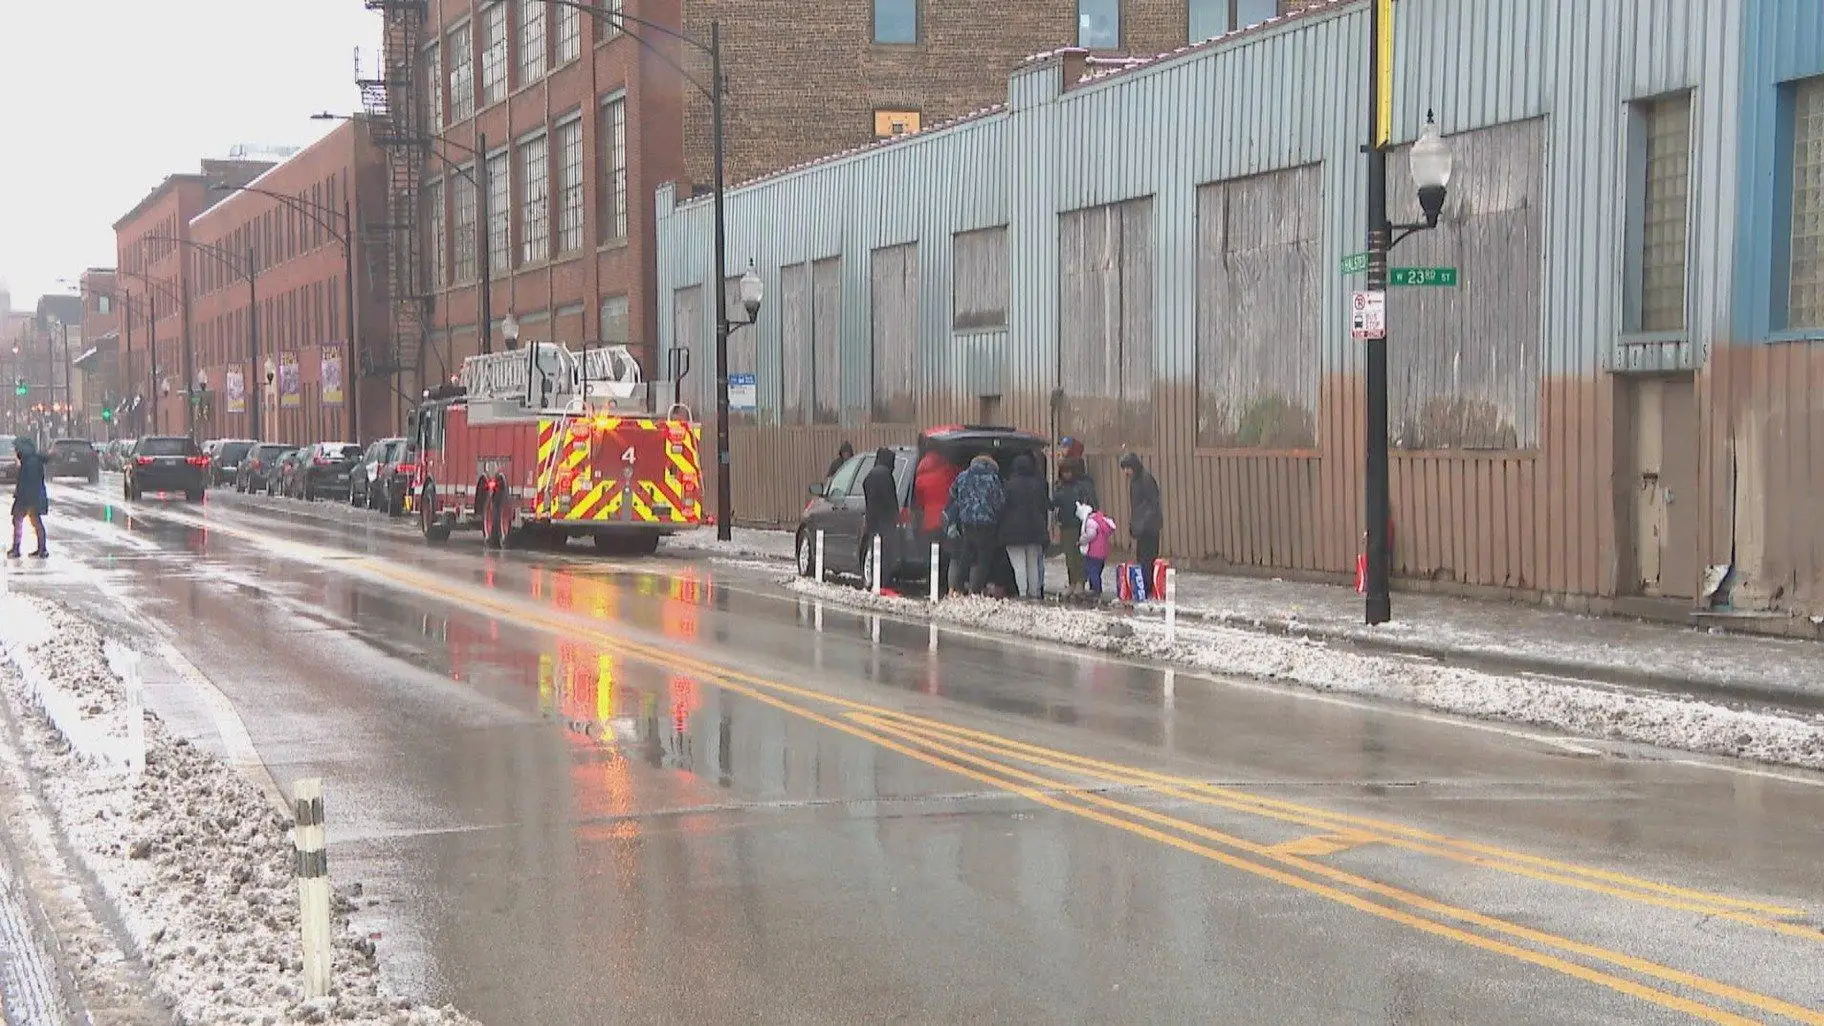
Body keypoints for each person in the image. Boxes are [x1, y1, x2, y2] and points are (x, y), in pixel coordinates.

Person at [944, 454, 1005, 595]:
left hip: (967, 523)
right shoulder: (992, 479)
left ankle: (956, 588)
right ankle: (975, 589)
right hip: (987, 524)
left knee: (966, 556)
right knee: (982, 559)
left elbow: (952, 494)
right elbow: (999, 501)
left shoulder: (962, 476)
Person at [999, 454, 1049, 599]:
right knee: (1033, 563)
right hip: (1035, 529)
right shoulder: (1037, 484)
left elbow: (1002, 506)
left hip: (1013, 531)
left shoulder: (1008, 485)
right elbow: (1044, 504)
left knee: (1019, 565)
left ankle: (1022, 593)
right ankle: (1034, 593)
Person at [914, 448, 963, 593]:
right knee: (948, 554)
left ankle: (932, 584)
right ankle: (946, 585)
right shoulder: (949, 472)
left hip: (929, 522)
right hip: (946, 519)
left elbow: (920, 501)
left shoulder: (920, 479)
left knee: (933, 555)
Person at [1050, 457, 1099, 597]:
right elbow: (1054, 503)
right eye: (1064, 472)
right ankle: (1073, 582)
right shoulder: (1060, 486)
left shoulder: (1081, 486)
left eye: (1069, 471)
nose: (1067, 475)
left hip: (1081, 524)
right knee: (1070, 556)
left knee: (1080, 555)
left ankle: (1080, 582)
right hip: (1066, 524)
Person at [1119, 451, 1162, 589]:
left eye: (1127, 468)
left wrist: (1141, 524)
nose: (1126, 471)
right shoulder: (1136, 480)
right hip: (1143, 526)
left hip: (1149, 527)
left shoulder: (1145, 479)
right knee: (1142, 557)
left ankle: (1148, 585)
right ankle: (1144, 585)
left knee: (1147, 557)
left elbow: (1151, 504)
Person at [859, 447, 899, 587]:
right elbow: (891, 500)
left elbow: (865, 487)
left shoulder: (871, 474)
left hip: (872, 520)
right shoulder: (886, 475)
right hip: (885, 522)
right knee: (886, 554)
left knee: (874, 550)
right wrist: (896, 517)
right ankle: (884, 583)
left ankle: (873, 580)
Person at [9, 437, 49, 559]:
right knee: (34, 522)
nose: (15, 452)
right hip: (32, 497)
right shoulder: (30, 460)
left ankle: (18, 549)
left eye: (16, 449)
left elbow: (28, 482)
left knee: (20, 521)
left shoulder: (29, 462)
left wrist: (21, 496)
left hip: (28, 498)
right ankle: (41, 549)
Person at [1077, 501, 1116, 599]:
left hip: (1093, 552)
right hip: (1102, 552)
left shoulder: (1091, 521)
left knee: (1092, 571)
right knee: (1097, 571)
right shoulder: (1101, 519)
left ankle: (1096, 590)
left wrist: (1081, 540)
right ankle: (1095, 588)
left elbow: (1090, 535)